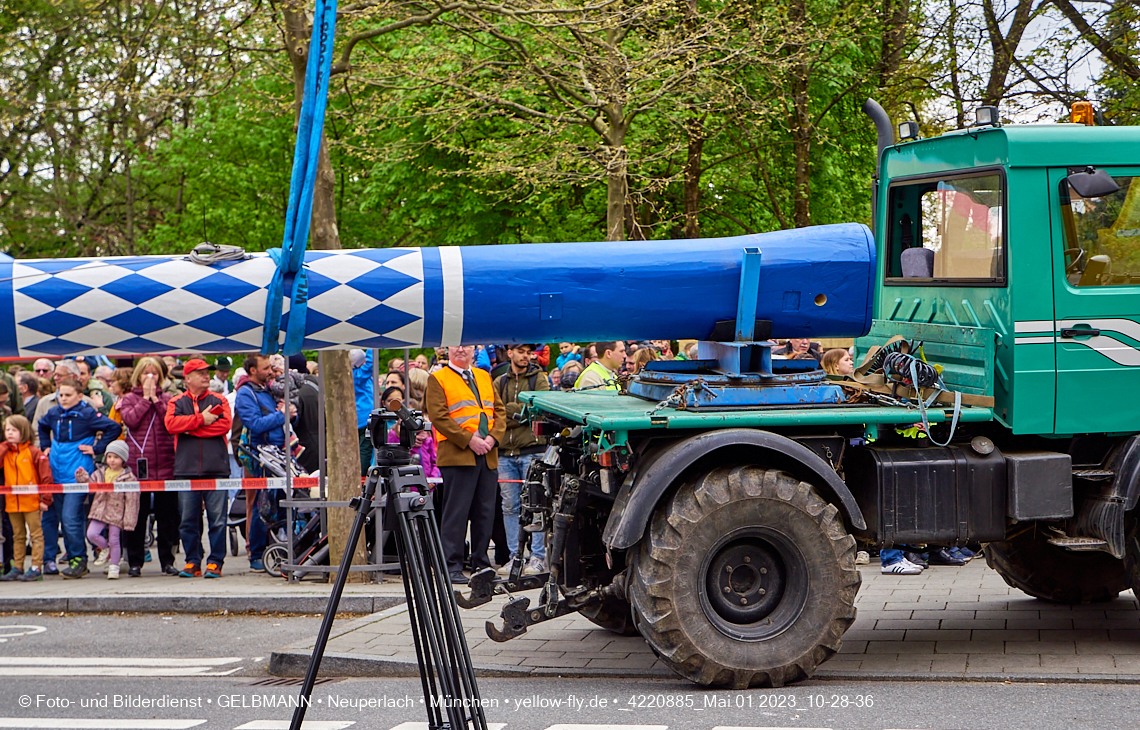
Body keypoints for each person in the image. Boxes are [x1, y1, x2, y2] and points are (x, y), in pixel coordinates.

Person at [425, 345, 506, 583]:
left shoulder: (484, 375)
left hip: (487, 453)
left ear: (474, 350)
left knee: (485, 513)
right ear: (447, 350)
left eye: (466, 345)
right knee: (456, 513)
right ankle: (451, 566)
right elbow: (438, 416)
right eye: (456, 345)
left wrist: (493, 438)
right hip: (458, 454)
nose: (461, 349)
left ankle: (481, 565)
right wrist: (469, 440)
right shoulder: (438, 378)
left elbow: (499, 411)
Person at [38, 379, 122, 579]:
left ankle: (79, 559)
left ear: (79, 395)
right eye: (61, 395)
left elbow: (114, 428)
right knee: (62, 519)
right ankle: (74, 559)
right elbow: (42, 425)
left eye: (68, 395)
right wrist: (45, 446)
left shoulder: (87, 414)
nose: (63, 399)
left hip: (78, 475)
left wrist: (97, 448)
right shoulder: (54, 413)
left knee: (70, 518)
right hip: (56, 473)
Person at [165, 359, 232, 579]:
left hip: (217, 469)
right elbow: (170, 425)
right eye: (200, 372)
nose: (206, 376)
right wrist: (202, 419)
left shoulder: (219, 399)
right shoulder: (176, 401)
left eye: (207, 372)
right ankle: (192, 561)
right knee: (187, 520)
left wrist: (190, 428)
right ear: (187, 378)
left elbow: (225, 425)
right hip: (186, 469)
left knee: (218, 519)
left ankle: (215, 562)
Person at [119, 357, 179, 577]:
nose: (150, 377)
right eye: (146, 373)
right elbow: (131, 420)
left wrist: (156, 401)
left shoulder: (168, 399)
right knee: (137, 516)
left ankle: (167, 561)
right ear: (139, 376)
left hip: (165, 464)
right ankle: (135, 561)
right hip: (139, 466)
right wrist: (145, 400)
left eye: (154, 373)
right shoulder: (128, 399)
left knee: (167, 517)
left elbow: (170, 423)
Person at [234, 354, 293, 572]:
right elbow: (255, 424)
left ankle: (277, 548)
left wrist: (291, 414)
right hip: (262, 458)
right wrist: (282, 415)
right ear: (252, 370)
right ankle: (256, 554)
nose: (270, 371)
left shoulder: (266, 389)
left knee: (280, 504)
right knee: (262, 506)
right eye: (266, 368)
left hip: (280, 455)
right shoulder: (245, 394)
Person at [494, 344, 549, 575]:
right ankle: (515, 556)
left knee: (536, 505)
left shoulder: (540, 379)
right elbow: (494, 413)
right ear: (510, 353)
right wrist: (520, 414)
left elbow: (539, 410)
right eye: (521, 351)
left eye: (528, 352)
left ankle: (537, 556)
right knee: (509, 507)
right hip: (505, 453)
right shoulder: (499, 382)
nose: (526, 356)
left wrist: (509, 412)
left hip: (532, 450)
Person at [75, 440, 139, 580]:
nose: (112, 460)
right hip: (100, 510)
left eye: (116, 457)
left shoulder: (129, 478)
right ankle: (106, 548)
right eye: (109, 456)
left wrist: (129, 520)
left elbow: (132, 500)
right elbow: (91, 485)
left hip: (117, 512)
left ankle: (114, 566)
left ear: (123, 459)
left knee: (114, 539)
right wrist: (83, 477)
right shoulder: (100, 472)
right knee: (91, 534)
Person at [0, 415, 52, 582]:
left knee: (35, 535)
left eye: (14, 430)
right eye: (7, 430)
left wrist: (46, 499)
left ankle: (36, 567)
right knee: (18, 536)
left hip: (31, 501)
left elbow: (45, 477)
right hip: (12, 502)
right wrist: (4, 447)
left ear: (23, 431)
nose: (9, 433)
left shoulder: (33, 452)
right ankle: (18, 566)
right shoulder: (6, 452)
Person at [351, 349, 374, 476]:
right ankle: (361, 475)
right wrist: (371, 346)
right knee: (365, 448)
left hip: (358, 417)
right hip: (365, 418)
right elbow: (371, 363)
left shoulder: (352, 375)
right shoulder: (359, 375)